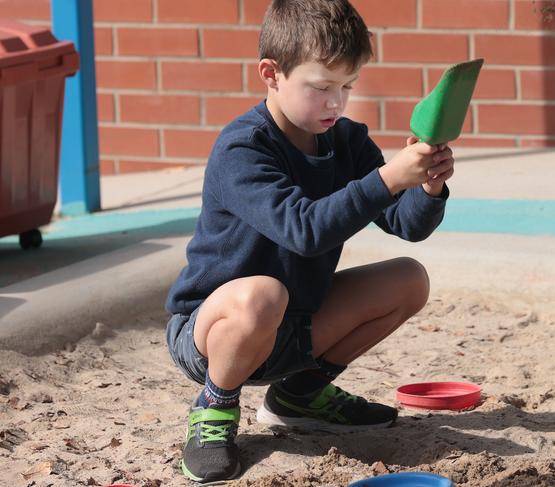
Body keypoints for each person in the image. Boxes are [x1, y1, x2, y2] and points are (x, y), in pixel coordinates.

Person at [164, 0, 455, 483]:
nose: (336, 104)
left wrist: (428, 186)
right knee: (262, 293)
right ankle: (214, 410)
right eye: (321, 87)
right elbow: (304, 230)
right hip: (213, 333)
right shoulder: (244, 148)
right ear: (271, 74)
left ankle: (300, 394)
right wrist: (386, 178)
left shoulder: (345, 141)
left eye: (347, 87)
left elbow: (406, 225)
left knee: (408, 279)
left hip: (296, 327)